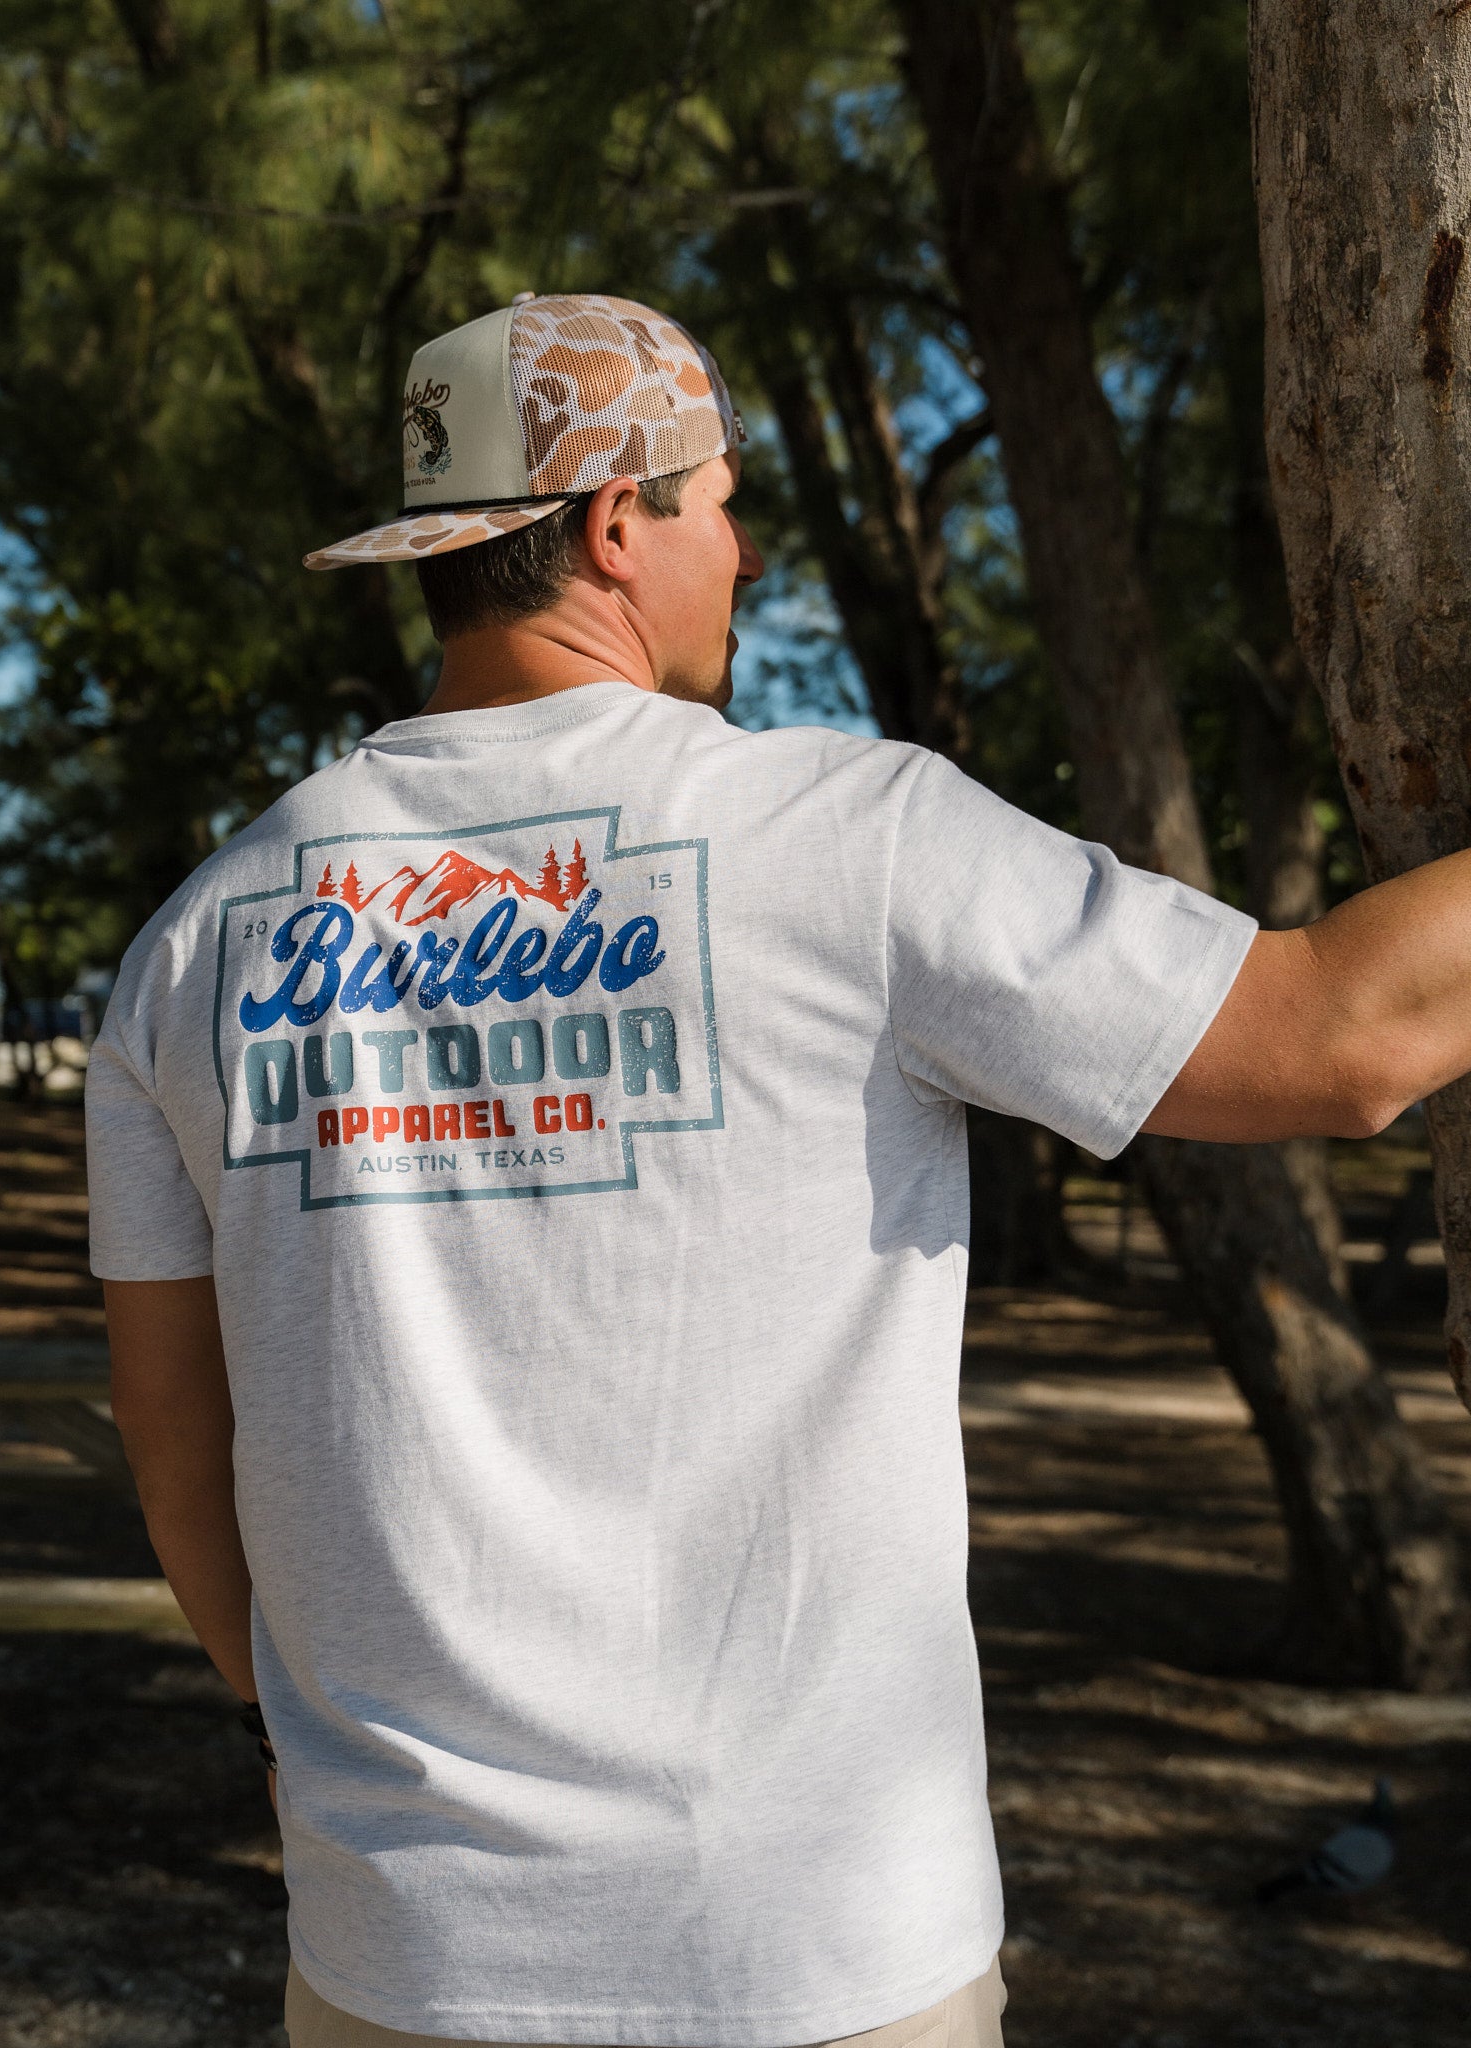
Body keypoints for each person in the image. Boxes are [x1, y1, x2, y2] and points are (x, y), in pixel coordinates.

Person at [86, 293, 1471, 2048]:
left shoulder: (194, 944)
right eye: (724, 506)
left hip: (403, 1957)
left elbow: (171, 1439)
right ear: (616, 521)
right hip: (812, 1954)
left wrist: (303, 1736)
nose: (741, 556)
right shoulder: (849, 842)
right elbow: (1341, 1039)